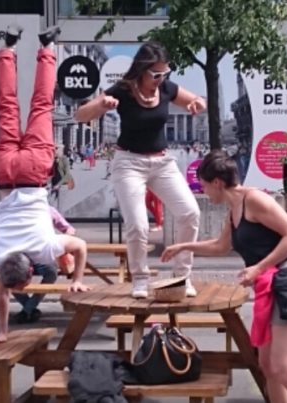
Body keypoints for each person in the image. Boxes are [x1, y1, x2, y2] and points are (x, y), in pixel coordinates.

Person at [161, 151, 287, 403]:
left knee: (283, 366)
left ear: (217, 182)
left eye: (204, 186)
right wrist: (183, 246)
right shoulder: (233, 209)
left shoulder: (255, 200)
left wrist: (258, 267)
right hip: (268, 287)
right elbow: (221, 246)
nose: (204, 192)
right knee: (267, 366)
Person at [75, 42, 204, 298]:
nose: (160, 79)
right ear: (142, 70)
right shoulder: (124, 89)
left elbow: (198, 100)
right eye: (155, 74)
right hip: (129, 163)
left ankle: (182, 276)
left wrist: (198, 103)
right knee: (138, 225)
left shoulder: (167, 88)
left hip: (162, 163)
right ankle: (140, 279)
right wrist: (101, 105)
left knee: (190, 213)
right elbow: (80, 115)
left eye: (165, 73)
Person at [0, 24, 90, 345]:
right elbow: (2, 295)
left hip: (33, 174)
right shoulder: (0, 256)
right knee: (7, 105)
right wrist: (1, 332)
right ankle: (8, 47)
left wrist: (77, 279)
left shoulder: (46, 249)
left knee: (41, 104)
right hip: (6, 173)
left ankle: (47, 47)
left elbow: (81, 246)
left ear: (31, 270)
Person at [12, 206, 76, 324]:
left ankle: (27, 310)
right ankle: (29, 309)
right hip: (21, 257)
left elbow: (69, 229)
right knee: (7, 275)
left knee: (51, 272)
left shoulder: (48, 210)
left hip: (41, 257)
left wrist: (62, 240)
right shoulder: (15, 211)